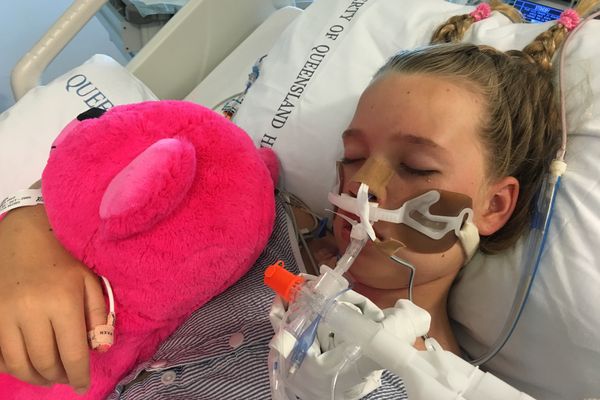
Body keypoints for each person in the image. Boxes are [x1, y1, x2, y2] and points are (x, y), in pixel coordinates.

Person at [0, 0, 596, 398]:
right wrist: (26, 229)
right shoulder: (259, 222)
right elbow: (99, 187)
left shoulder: (432, 385)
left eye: (416, 167)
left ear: (494, 207)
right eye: (353, 155)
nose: (364, 186)